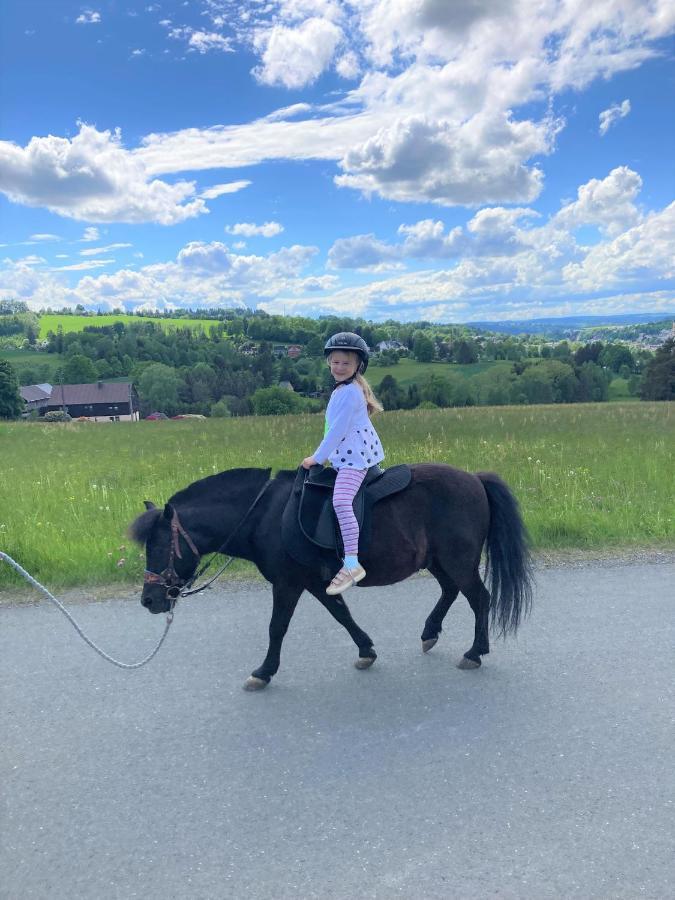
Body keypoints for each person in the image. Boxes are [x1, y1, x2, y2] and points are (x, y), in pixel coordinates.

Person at [301, 332, 384, 595]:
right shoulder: (344, 389)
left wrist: (316, 458)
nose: (338, 367)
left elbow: (336, 431)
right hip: (347, 454)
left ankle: (351, 563)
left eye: (345, 364)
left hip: (355, 459)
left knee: (340, 501)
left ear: (357, 366)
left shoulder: (349, 393)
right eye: (334, 362)